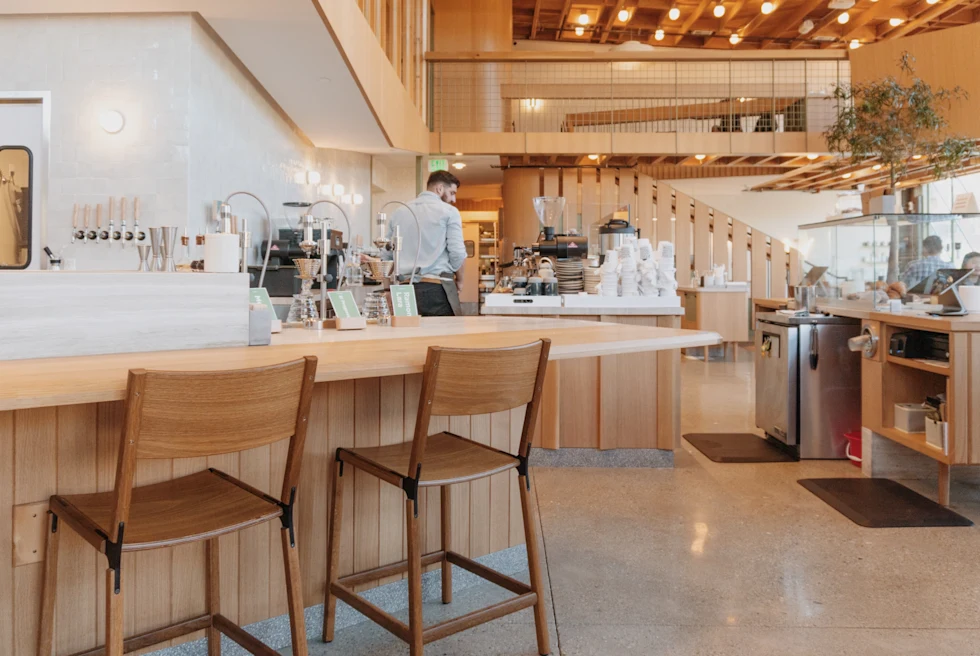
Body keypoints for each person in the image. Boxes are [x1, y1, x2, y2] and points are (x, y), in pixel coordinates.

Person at [379, 170, 467, 316]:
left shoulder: (399, 212)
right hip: (437, 289)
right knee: (441, 338)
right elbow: (457, 253)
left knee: (407, 338)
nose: (454, 199)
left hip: (403, 288)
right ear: (439, 189)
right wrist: (460, 281)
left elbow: (386, 256)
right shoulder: (449, 212)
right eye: (452, 192)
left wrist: (388, 290)